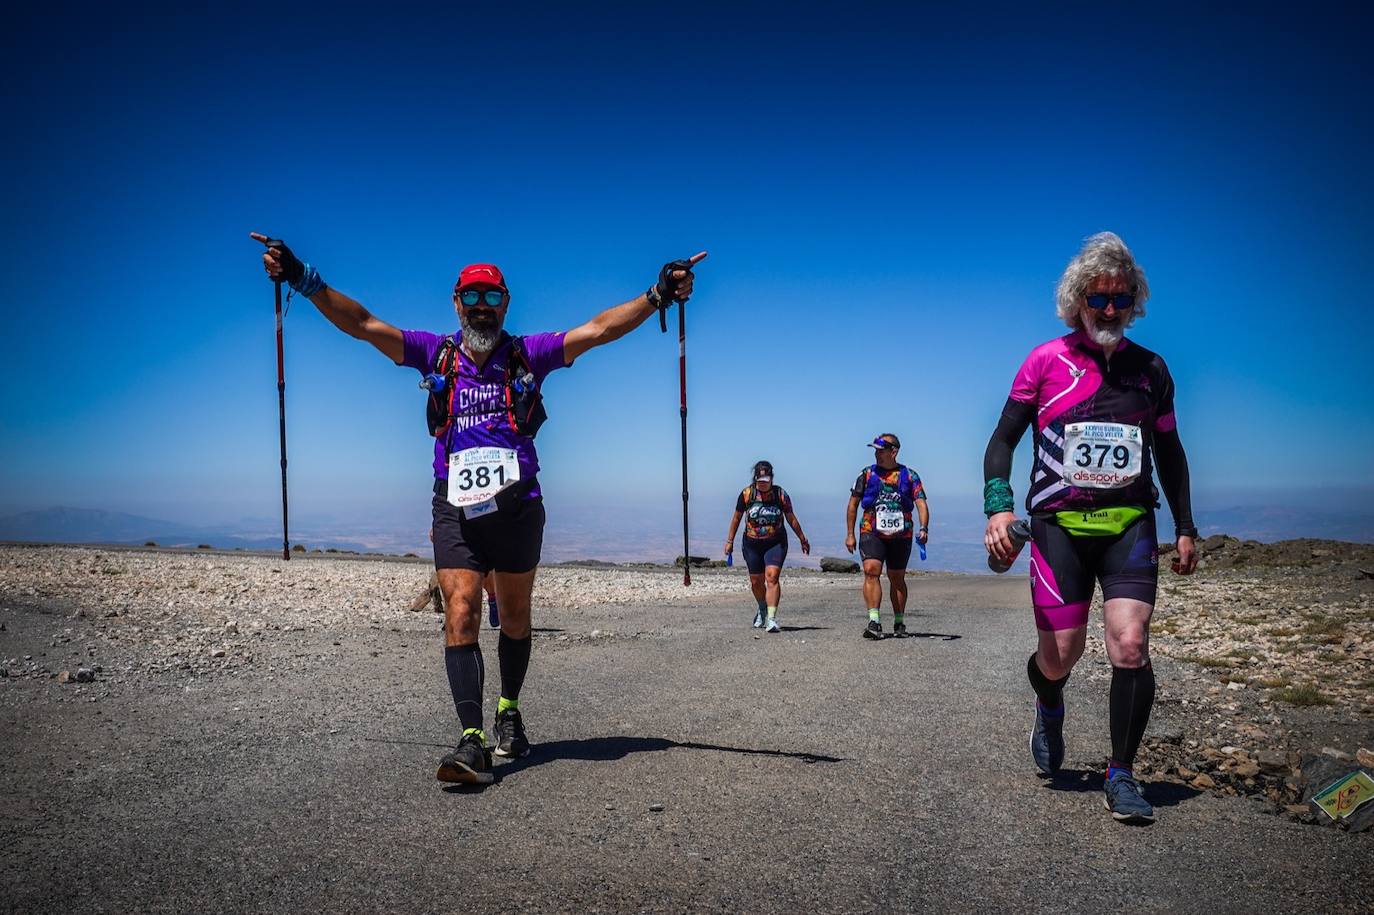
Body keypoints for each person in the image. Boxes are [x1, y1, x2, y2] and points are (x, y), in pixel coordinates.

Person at [251, 231, 705, 785]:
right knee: (461, 609)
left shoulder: (527, 354)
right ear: (456, 302)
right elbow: (363, 324)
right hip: (455, 508)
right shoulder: (433, 352)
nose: (482, 308)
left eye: (492, 298)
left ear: (507, 303)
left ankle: (508, 708)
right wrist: (303, 278)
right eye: (472, 298)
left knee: (514, 618)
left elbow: (599, 330)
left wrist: (656, 294)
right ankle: (471, 740)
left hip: (518, 508)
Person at [982, 232, 1197, 824]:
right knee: (1061, 656)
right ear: (1077, 300)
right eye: (1097, 299)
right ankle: (1049, 702)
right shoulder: (1045, 362)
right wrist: (999, 507)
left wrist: (1184, 525)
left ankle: (1121, 773)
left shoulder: (1150, 370)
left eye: (1120, 299)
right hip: (1059, 527)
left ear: (1134, 303)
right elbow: (1002, 440)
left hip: (1130, 523)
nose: (1108, 310)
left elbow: (1171, 450)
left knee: (1130, 645)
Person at [844, 434, 929, 640]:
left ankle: (899, 622)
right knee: (871, 571)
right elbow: (853, 504)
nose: (877, 454)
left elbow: (921, 503)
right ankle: (874, 621)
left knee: (896, 577)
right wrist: (849, 534)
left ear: (894, 451)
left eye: (880, 451)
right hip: (871, 530)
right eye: (875, 451)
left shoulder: (909, 475)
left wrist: (924, 527)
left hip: (902, 533)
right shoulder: (866, 474)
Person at [723, 461, 810, 633]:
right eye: (760, 479)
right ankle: (762, 607)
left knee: (772, 577)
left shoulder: (780, 494)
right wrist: (730, 541)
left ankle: (771, 618)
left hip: (775, 542)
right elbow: (736, 518)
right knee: (756, 582)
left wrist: (802, 538)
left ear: (771, 478)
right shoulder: (747, 494)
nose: (763, 482)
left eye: (766, 479)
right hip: (752, 543)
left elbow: (791, 517)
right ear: (755, 478)